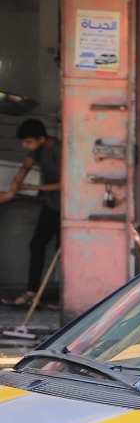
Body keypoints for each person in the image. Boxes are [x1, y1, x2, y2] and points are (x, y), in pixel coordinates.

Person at [0, 118, 62, 306]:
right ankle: (31, 292)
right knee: (36, 245)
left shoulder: (60, 150)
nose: (25, 145)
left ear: (41, 139)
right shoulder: (37, 150)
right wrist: (14, 188)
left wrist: (34, 186)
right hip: (50, 207)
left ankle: (64, 297)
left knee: (64, 252)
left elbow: (65, 183)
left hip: (66, 211)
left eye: (28, 142)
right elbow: (25, 166)